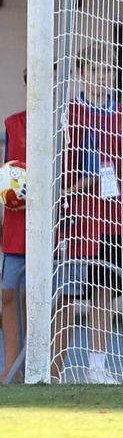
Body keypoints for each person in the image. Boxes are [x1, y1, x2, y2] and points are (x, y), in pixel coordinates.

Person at [52, 52, 123, 384]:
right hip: (76, 221)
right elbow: (57, 172)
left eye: (108, 70)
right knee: (64, 295)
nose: (103, 76)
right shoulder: (66, 115)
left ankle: (97, 367)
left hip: (117, 220)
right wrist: (81, 185)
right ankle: (51, 370)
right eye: (95, 69)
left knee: (104, 293)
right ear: (81, 73)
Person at [1, 103, 23, 384]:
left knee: (40, 299)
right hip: (18, 219)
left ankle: (41, 369)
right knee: (8, 295)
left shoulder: (71, 123)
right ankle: (12, 369)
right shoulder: (13, 123)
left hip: (58, 219)